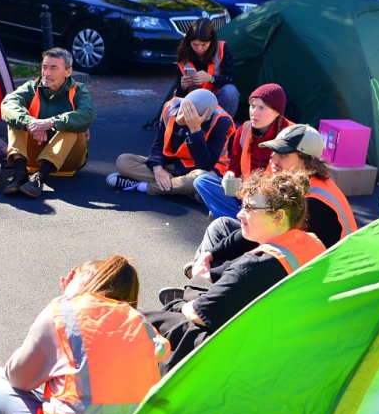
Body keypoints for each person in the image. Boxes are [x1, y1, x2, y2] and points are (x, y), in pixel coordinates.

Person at [0, 256, 168, 414]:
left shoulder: (63, 315)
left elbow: (17, 378)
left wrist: (65, 298)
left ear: (86, 276)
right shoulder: (141, 324)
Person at [148, 172, 325, 368]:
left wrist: (181, 305)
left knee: (154, 320)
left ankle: (186, 296)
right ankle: (195, 291)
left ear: (278, 216)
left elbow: (199, 315)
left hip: (253, 355)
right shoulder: (310, 240)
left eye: (249, 207)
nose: (240, 213)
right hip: (294, 342)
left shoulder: (254, 266)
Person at [184, 124, 356, 280]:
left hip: (319, 278)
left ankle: (203, 288)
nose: (273, 160)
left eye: (283, 154)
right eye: (274, 152)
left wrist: (215, 273)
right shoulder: (294, 181)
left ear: (306, 159)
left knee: (247, 259)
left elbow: (272, 254)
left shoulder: (314, 203)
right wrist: (210, 255)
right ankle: (200, 281)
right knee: (221, 226)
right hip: (293, 258)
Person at [0, 48, 95, 199]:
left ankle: (39, 178)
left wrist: (50, 123)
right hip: (34, 154)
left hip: (69, 159)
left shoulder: (79, 90)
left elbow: (87, 115)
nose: (47, 73)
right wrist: (30, 123)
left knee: (72, 125)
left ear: (68, 72)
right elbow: (7, 104)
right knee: (16, 119)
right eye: (44, 67)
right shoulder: (32, 86)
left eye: (53, 68)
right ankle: (20, 173)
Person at [192, 84, 295, 219]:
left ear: (277, 112)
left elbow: (291, 183)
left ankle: (232, 217)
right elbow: (234, 165)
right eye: (252, 106)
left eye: (262, 108)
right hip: (244, 193)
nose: (254, 112)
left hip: (271, 200)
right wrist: (230, 174)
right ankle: (239, 218)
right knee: (201, 181)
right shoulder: (244, 130)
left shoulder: (291, 134)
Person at [108, 88, 233, 198]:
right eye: (182, 110)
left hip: (199, 170)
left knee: (201, 179)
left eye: (187, 116)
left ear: (202, 118)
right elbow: (158, 146)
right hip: (172, 165)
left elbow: (205, 164)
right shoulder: (170, 108)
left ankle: (143, 187)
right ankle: (184, 190)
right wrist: (158, 169)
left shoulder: (221, 121)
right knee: (123, 161)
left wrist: (195, 130)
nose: (179, 117)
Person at [167, 17, 239, 116]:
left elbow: (232, 78)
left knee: (230, 91)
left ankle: (224, 126)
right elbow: (179, 95)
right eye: (195, 44)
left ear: (211, 42)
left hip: (217, 98)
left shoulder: (221, 48)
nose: (199, 48)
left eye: (203, 45)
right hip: (193, 101)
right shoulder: (183, 54)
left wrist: (211, 78)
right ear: (189, 41)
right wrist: (183, 86)